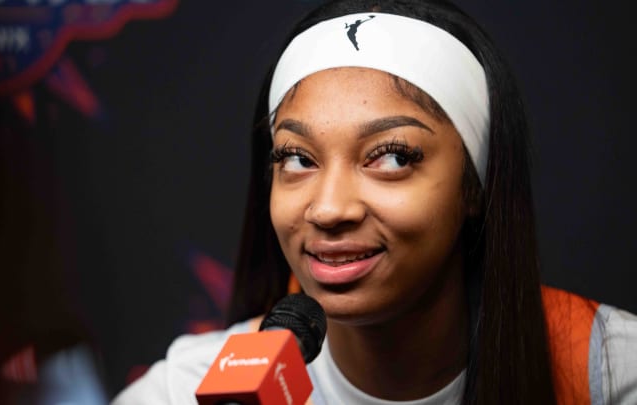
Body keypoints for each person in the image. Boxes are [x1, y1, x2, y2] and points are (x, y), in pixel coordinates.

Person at [111, 0, 637, 404]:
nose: (329, 208)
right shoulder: (187, 387)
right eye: (297, 158)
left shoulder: (613, 372)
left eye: (391, 157)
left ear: (476, 186)